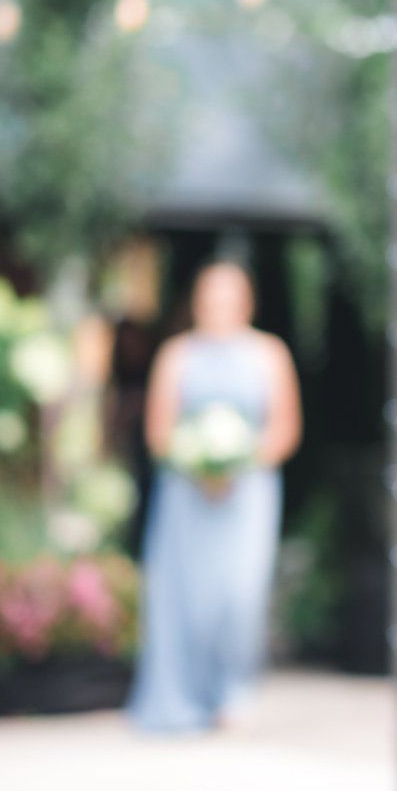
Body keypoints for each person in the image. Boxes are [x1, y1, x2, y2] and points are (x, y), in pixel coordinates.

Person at [124, 260, 301, 733]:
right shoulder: (177, 355)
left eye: (230, 296)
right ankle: (184, 695)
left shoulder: (270, 353)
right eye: (212, 296)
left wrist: (238, 463)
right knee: (187, 596)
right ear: (198, 302)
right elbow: (159, 432)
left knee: (239, 595)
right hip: (187, 495)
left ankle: (234, 692)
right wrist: (200, 465)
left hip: (248, 494)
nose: (220, 306)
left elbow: (285, 428)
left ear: (246, 302)